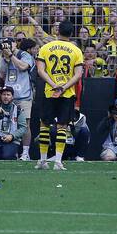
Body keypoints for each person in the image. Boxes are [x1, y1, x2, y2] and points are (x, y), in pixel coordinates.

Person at [35, 20, 84, 171]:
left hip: (50, 91)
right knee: (62, 126)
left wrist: (53, 84)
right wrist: (63, 87)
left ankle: (43, 161)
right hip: (66, 93)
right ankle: (57, 161)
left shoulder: (46, 47)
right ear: (71, 33)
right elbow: (78, 74)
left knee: (44, 125)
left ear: (57, 31)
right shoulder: (76, 50)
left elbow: (40, 70)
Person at [0, 38, 36, 160]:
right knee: (9, 124)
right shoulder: (4, 56)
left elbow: (23, 66)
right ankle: (12, 150)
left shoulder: (24, 54)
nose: (7, 47)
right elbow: (2, 73)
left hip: (24, 95)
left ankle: (25, 152)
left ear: (15, 44)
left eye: (9, 44)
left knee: (25, 124)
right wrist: (5, 58)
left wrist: (11, 55)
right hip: (9, 95)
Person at [0, 86, 27, 160]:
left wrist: (12, 136)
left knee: (7, 156)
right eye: (3, 94)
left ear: (12, 97)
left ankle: (15, 154)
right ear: (1, 96)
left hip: (11, 141)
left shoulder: (18, 110)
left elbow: (23, 128)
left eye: (8, 95)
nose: (5, 97)